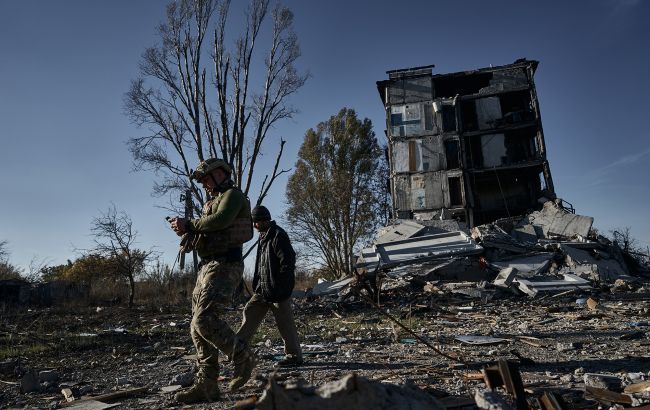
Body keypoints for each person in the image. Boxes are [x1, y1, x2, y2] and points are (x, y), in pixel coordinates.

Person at [169, 158, 255, 403]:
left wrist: (190, 224)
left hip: (225, 264)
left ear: (221, 174)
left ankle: (242, 356)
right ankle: (207, 385)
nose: (204, 183)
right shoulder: (212, 201)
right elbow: (209, 226)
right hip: (207, 266)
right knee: (196, 326)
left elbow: (221, 221)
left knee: (205, 319)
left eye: (207, 178)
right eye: (202, 180)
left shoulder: (233, 196)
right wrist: (188, 232)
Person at [236, 205, 303, 367]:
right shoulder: (263, 236)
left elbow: (288, 262)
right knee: (249, 314)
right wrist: (258, 285)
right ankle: (236, 350)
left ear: (263, 220)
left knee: (285, 324)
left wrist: (283, 288)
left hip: (278, 291)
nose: (254, 226)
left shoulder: (278, 235)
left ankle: (294, 357)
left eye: (255, 222)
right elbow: (261, 265)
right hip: (263, 291)